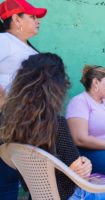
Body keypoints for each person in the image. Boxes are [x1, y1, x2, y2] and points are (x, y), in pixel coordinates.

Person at [0, 53, 105, 200]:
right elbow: (81, 175)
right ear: (56, 86)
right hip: (73, 195)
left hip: (40, 195)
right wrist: (85, 164)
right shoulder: (56, 124)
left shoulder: (13, 126)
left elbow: (42, 168)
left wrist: (75, 165)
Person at [0, 0, 47, 198]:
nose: (38, 21)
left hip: (25, 123)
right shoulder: (4, 40)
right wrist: (3, 102)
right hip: (7, 120)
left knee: (14, 179)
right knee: (6, 180)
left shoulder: (26, 47)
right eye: (32, 17)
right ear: (16, 19)